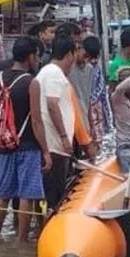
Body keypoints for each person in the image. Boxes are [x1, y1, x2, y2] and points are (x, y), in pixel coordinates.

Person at [0, 36, 45, 244]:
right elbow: (37, 121)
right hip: (28, 145)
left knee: (3, 194)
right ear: (30, 57)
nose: (38, 60)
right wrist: (46, 152)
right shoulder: (32, 83)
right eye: (37, 56)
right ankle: (22, 240)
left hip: (3, 144)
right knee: (26, 195)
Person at [35, 35, 82, 207]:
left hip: (54, 146)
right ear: (70, 54)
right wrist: (63, 136)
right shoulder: (54, 73)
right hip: (55, 146)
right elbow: (52, 104)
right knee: (54, 197)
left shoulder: (47, 72)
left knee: (51, 196)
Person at [81, 36, 113, 142]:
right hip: (85, 110)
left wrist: (108, 121)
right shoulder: (81, 70)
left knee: (97, 140)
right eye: (91, 58)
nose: (94, 61)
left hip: (97, 111)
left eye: (97, 57)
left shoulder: (98, 70)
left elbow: (103, 94)